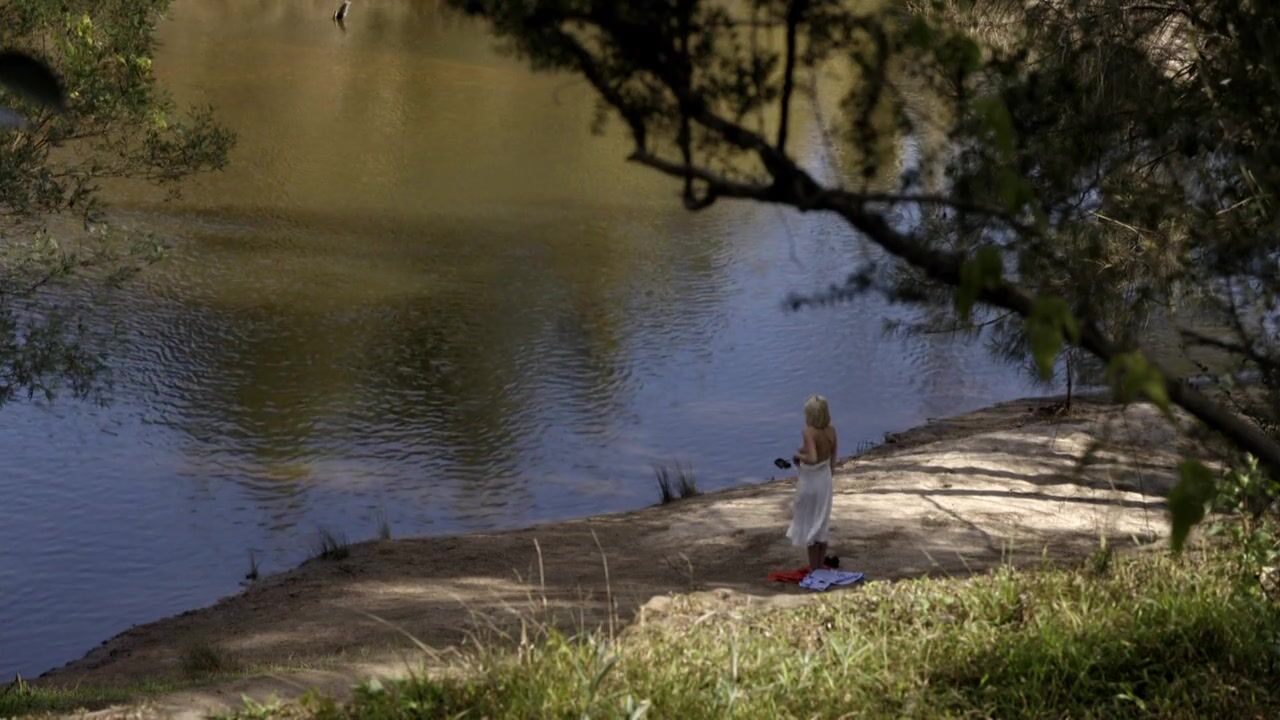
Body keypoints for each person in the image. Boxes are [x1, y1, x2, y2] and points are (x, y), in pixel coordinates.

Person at [788, 394, 837, 571]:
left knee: (810, 522)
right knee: (822, 521)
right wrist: (830, 474)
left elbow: (813, 458)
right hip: (825, 479)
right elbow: (832, 455)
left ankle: (814, 568)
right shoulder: (831, 431)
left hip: (811, 481)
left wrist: (798, 456)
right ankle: (820, 564)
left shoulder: (808, 431)